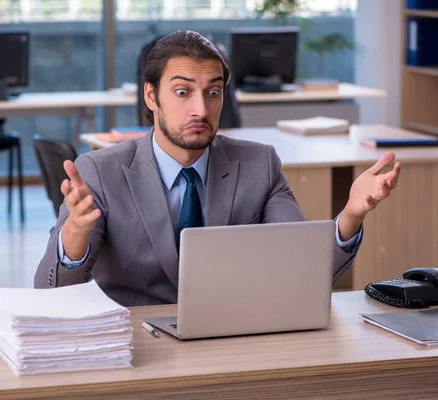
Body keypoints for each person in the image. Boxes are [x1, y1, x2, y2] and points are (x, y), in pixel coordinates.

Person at [35, 30, 400, 307]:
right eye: (182, 92)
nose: (200, 109)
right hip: (133, 344)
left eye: (213, 92)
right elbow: (49, 294)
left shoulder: (259, 164)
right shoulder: (100, 171)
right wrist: (75, 235)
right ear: (151, 96)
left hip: (230, 337)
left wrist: (351, 216)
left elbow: (302, 268)